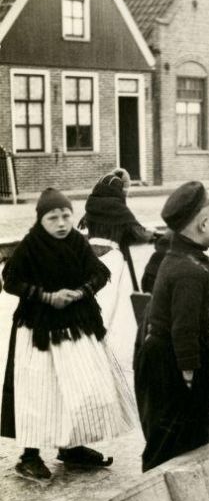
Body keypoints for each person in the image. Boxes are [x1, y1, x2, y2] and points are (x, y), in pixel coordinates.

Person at [1, 188, 137, 480]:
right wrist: (47, 297)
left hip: (76, 324)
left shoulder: (77, 242)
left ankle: (71, 446)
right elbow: (10, 281)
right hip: (38, 329)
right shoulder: (30, 246)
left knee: (78, 387)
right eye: (53, 217)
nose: (61, 223)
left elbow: (99, 273)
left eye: (66, 216)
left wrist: (80, 293)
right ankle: (29, 455)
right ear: (41, 220)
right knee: (38, 392)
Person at [134, 182, 209, 471]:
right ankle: (156, 485)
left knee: (186, 429)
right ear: (204, 224)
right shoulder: (189, 270)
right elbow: (183, 328)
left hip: (168, 354)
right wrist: (188, 370)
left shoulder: (183, 257)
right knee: (170, 431)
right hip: (171, 360)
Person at [80, 169, 157, 338]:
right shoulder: (120, 211)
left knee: (92, 293)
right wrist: (153, 234)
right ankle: (101, 333)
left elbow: (82, 231)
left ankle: (88, 330)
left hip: (88, 256)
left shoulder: (90, 207)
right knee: (109, 301)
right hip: (112, 255)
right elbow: (139, 233)